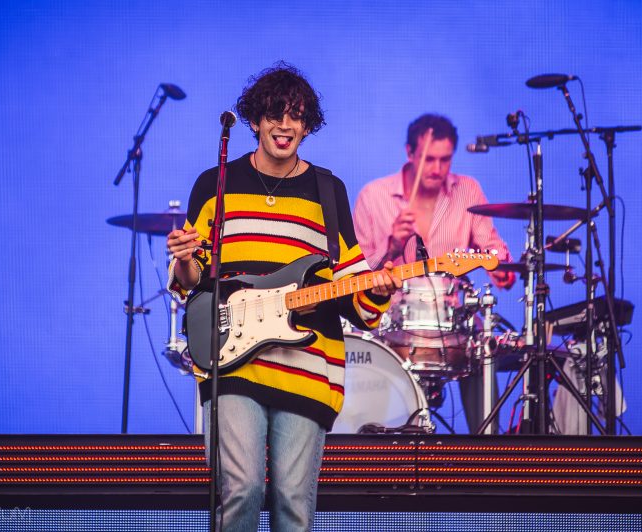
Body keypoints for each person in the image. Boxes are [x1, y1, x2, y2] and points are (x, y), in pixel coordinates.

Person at [166, 63, 400, 531]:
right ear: (255, 121)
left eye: (297, 115)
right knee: (242, 489)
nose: (285, 124)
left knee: (294, 504)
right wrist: (185, 259)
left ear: (308, 126)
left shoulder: (328, 191)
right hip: (231, 362)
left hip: (308, 368)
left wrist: (377, 290)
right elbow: (192, 282)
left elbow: (352, 290)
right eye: (275, 113)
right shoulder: (215, 184)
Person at [353, 113, 515, 434]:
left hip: (453, 322)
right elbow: (355, 277)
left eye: (445, 160)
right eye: (429, 159)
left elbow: (496, 253)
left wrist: (502, 269)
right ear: (410, 153)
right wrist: (391, 246)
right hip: (390, 327)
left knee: (483, 346)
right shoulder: (374, 196)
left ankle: (488, 451)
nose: (437, 169)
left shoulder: (467, 191)